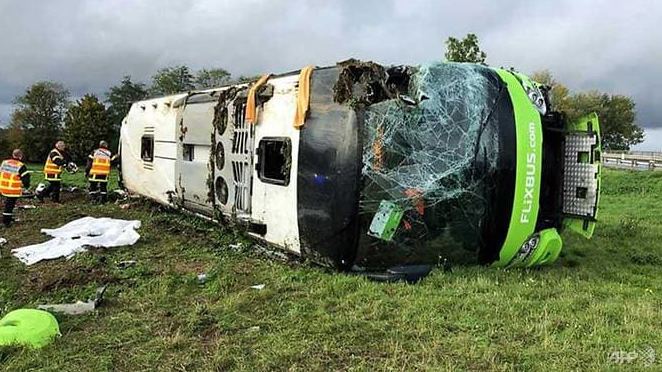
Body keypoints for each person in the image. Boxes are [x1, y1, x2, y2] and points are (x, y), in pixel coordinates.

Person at [1, 149, 30, 227]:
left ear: (13, 154)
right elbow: (26, 179)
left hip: (3, 187)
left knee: (8, 204)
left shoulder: (5, 162)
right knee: (9, 205)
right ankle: (6, 221)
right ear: (20, 156)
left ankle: (8, 217)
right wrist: (26, 186)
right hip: (13, 189)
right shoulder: (21, 165)